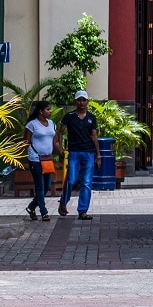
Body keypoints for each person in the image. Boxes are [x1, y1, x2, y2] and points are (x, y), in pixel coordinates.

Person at [58, 89, 101, 220]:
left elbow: (94, 136)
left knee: (87, 183)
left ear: (87, 101)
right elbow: (60, 132)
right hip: (74, 152)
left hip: (88, 152)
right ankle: (63, 202)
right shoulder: (69, 116)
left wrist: (98, 155)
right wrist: (60, 148)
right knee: (71, 179)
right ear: (75, 101)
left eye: (83, 100)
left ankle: (83, 210)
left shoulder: (91, 117)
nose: (81, 102)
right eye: (79, 100)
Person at [23, 100, 61, 221]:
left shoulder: (52, 124)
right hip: (35, 158)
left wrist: (62, 153)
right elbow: (26, 141)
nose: (50, 111)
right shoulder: (32, 124)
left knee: (46, 186)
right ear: (40, 111)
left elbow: (55, 141)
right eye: (48, 109)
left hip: (48, 159)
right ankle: (44, 212)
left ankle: (31, 207)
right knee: (40, 186)